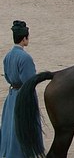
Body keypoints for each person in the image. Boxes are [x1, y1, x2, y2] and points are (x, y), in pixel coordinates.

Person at [1, 21, 41, 158]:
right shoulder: (25, 58)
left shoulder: (8, 56)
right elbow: (29, 81)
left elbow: (7, 77)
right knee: (22, 125)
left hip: (12, 94)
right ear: (24, 38)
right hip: (23, 95)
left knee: (10, 126)